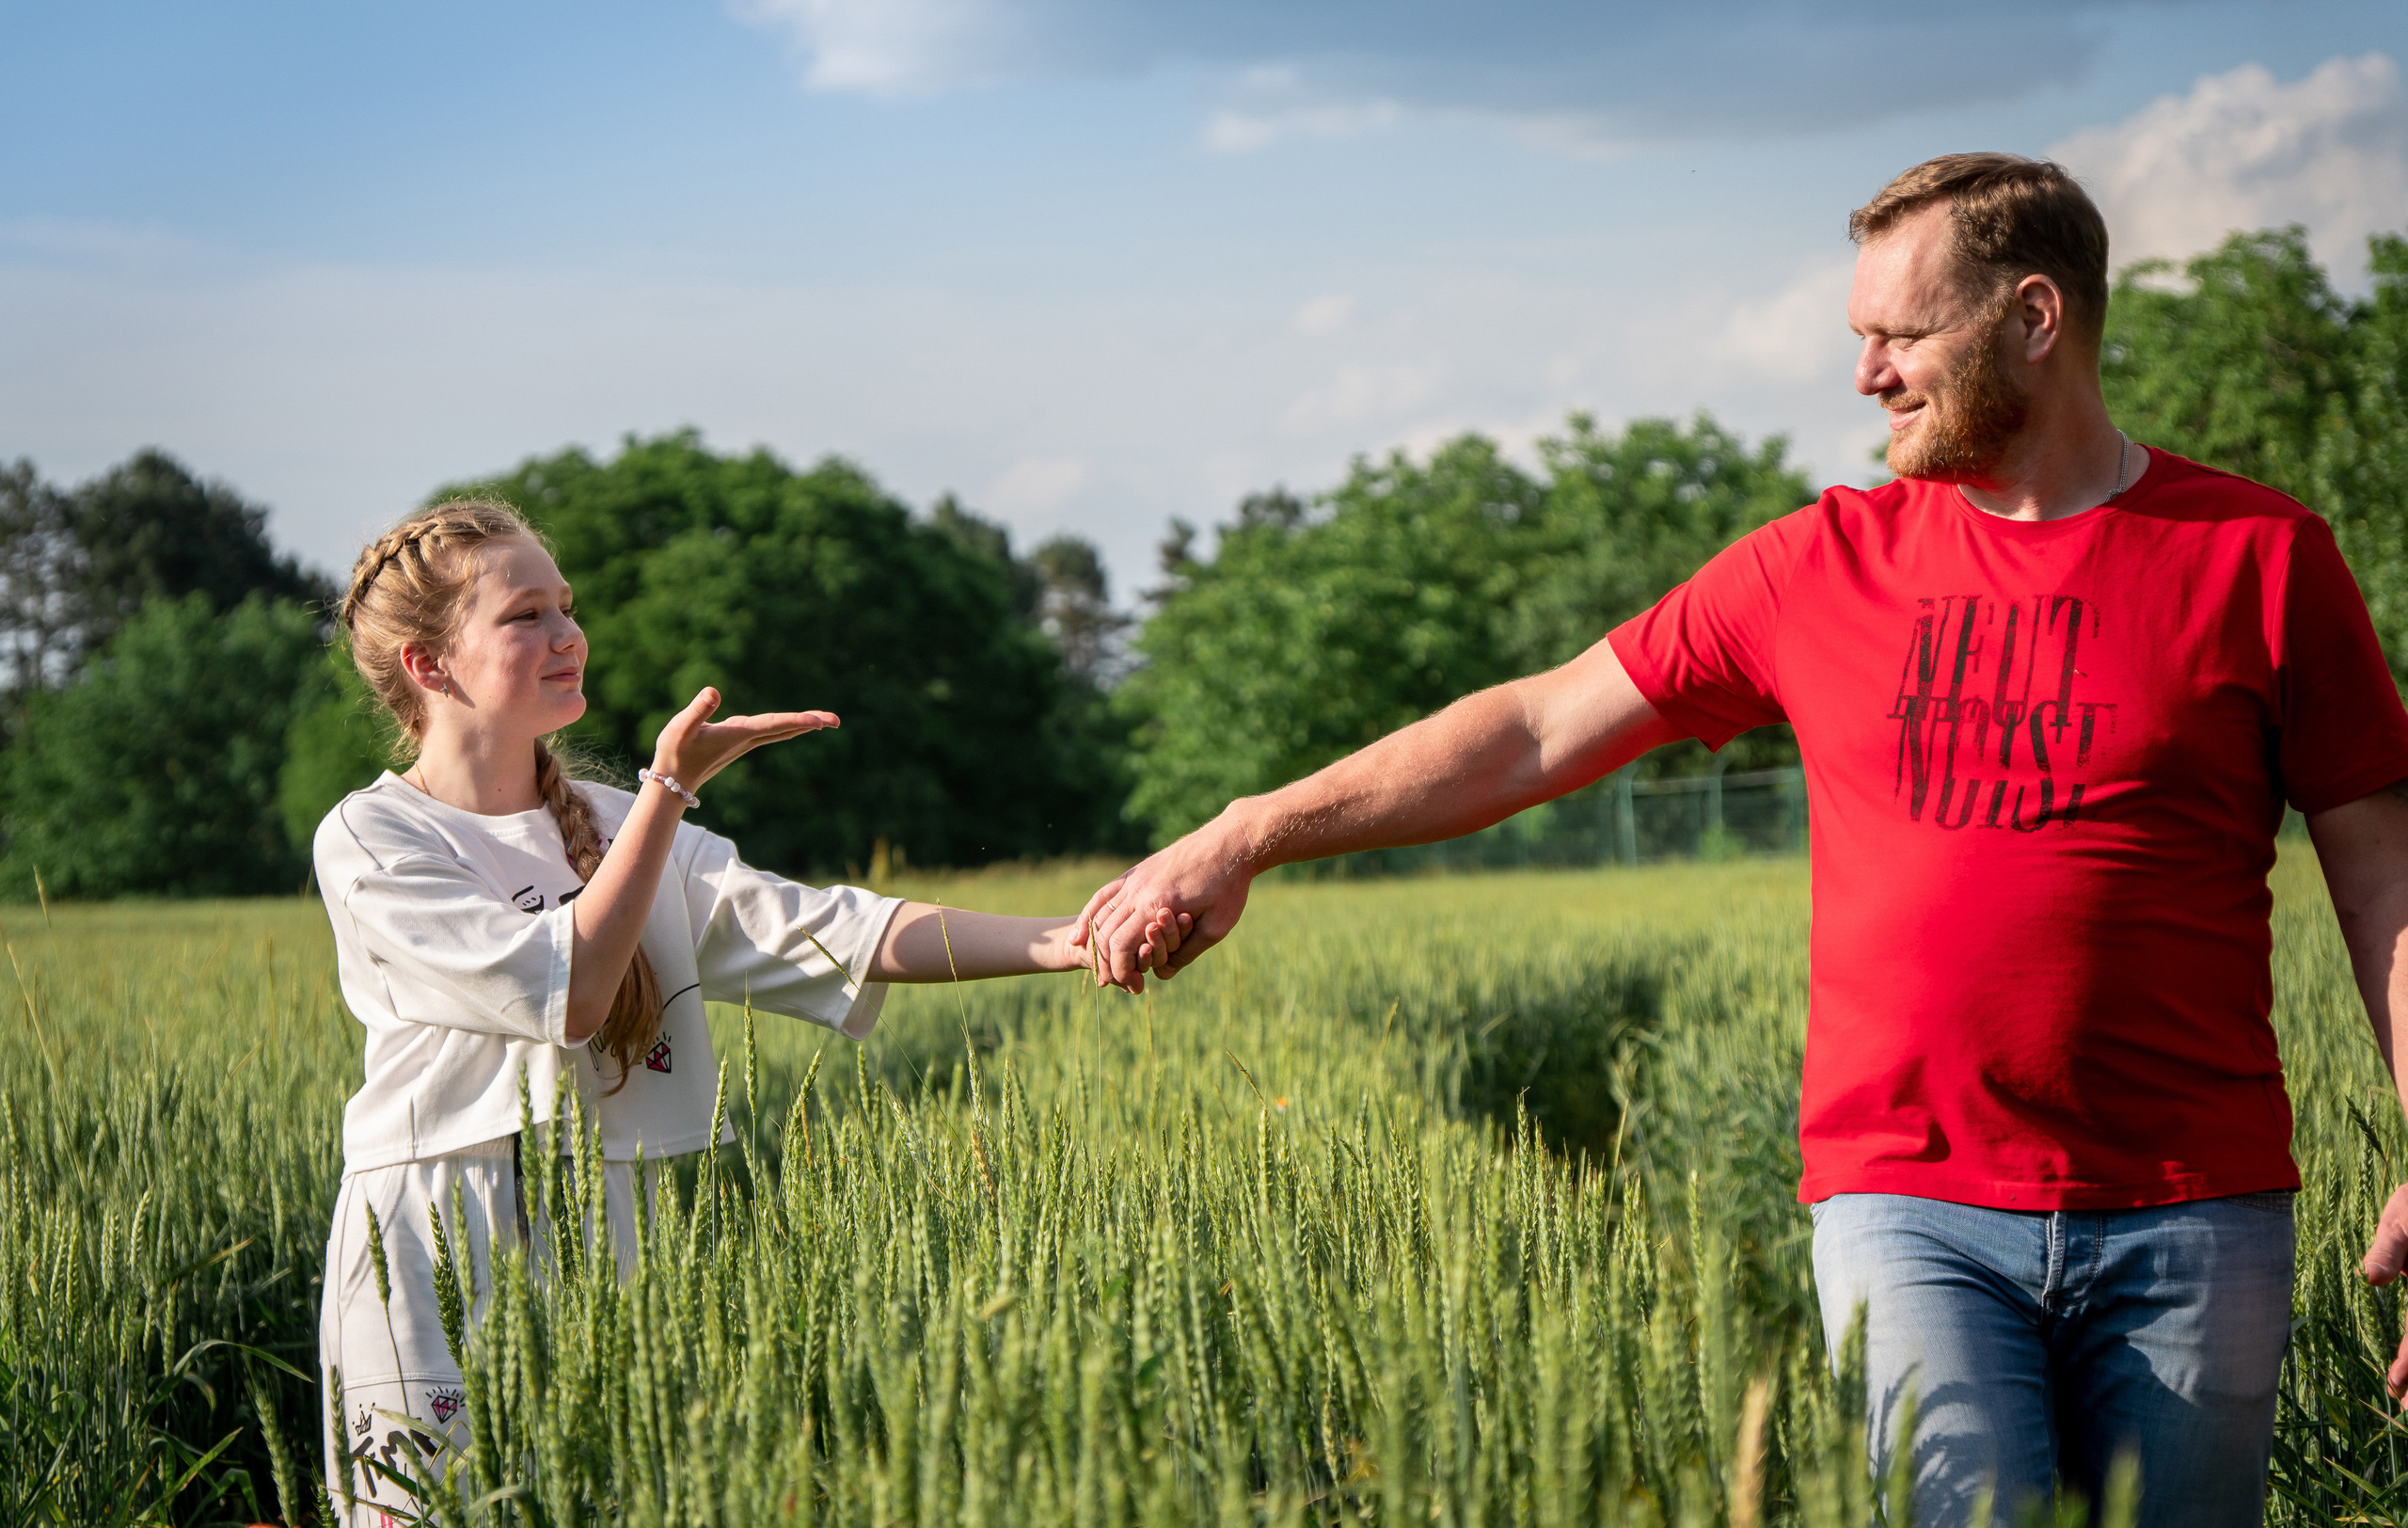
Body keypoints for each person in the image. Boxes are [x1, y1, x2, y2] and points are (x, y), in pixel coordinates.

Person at [1083, 153, 2408, 1525]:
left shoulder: (2259, 556)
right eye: (1860, 339)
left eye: (1902, 335)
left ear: (2034, 317)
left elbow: (2382, 879)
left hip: (2193, 1207)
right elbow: (1537, 725)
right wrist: (1248, 829)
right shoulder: (1812, 568)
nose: (1868, 375)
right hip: (1910, 1202)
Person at [316, 500, 1142, 1522]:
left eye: (566, 605)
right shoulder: (374, 836)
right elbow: (567, 990)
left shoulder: (617, 821)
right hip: (438, 1230)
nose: (568, 634)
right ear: (428, 666)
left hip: (608, 1214)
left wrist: (1063, 936)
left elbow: (830, 927)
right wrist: (669, 787)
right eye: (526, 614)